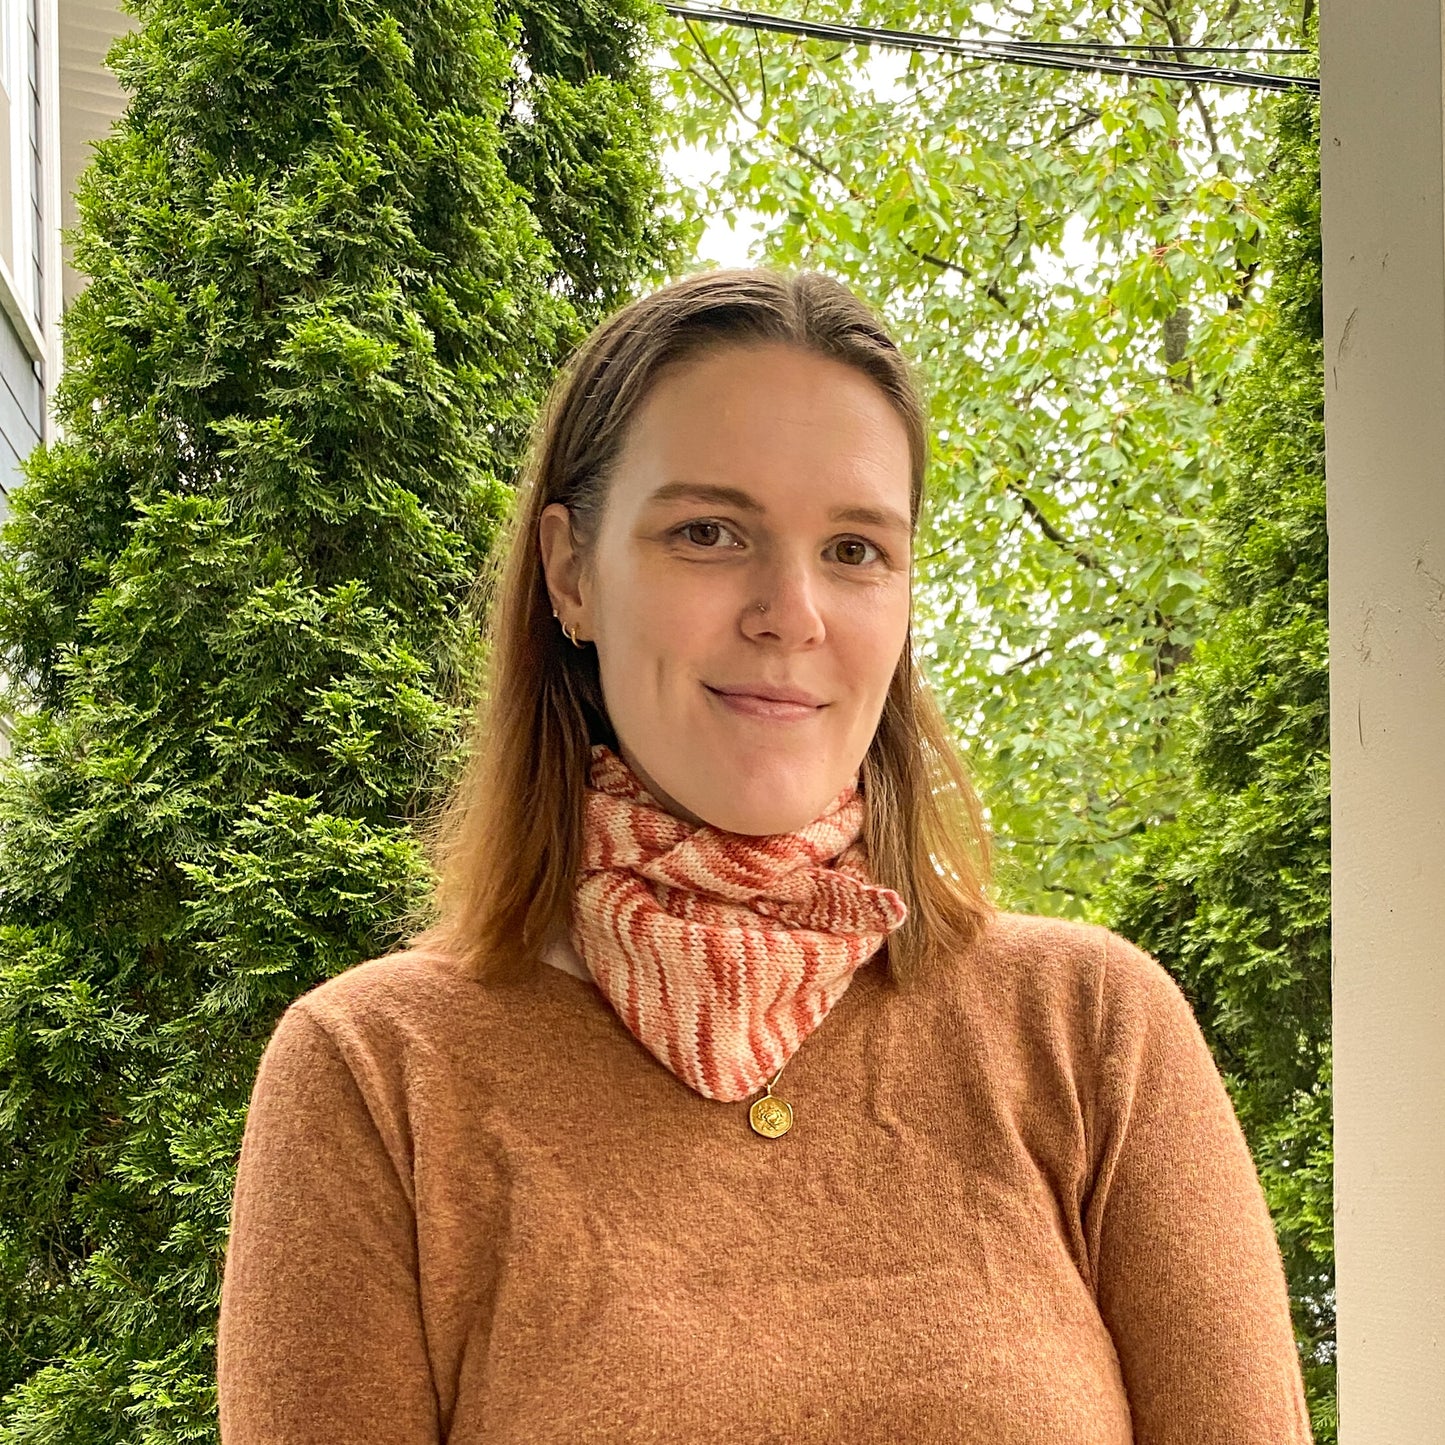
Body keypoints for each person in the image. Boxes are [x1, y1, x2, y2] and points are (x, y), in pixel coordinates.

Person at [215, 267, 1314, 1443]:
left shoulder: (1090, 1032)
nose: (790, 609)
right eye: (708, 531)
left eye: (853, 548)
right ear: (570, 572)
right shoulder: (376, 1076)